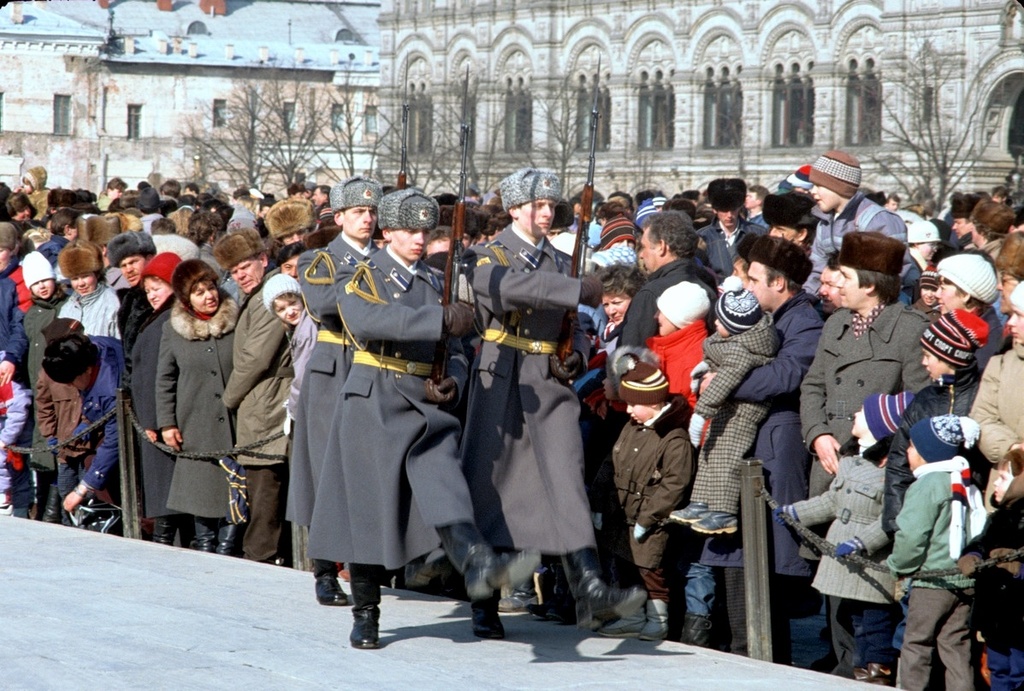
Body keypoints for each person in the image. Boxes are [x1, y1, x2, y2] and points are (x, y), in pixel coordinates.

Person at [331, 188, 538, 649]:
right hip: (376, 402)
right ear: (387, 233)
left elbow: (462, 350)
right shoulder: (359, 274)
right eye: (408, 231)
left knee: (448, 491)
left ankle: (479, 574)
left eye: (424, 230)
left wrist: (456, 381)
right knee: (372, 515)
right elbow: (367, 321)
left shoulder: (435, 281)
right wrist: (439, 321)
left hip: (428, 404)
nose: (419, 239)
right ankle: (366, 612)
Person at [461, 167, 647, 635]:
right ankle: (483, 601)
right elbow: (508, 289)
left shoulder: (558, 260)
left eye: (551, 207)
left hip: (548, 382)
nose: (547, 214)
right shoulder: (486, 254)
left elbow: (578, 324)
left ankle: (589, 586)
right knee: (496, 488)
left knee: (567, 480)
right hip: (502, 379)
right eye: (538, 206)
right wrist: (575, 287)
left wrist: (579, 353)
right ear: (514, 208)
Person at [778, 392, 910, 685]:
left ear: (879, 425)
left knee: (875, 620)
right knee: (851, 618)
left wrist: (863, 542)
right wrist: (796, 512)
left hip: (869, 561)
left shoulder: (892, 472)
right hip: (842, 557)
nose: (854, 414)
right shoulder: (850, 462)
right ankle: (857, 667)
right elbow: (831, 501)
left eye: (863, 412)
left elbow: (889, 518)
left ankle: (876, 670)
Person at [296, 176, 382, 607]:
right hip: (334, 368)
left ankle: (368, 563)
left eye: (371, 212)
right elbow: (323, 303)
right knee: (325, 468)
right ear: (341, 217)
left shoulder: (388, 259)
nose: (367, 219)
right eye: (358, 213)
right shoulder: (319, 258)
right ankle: (324, 569)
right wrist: (371, 282)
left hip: (373, 366)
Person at [591, 356, 694, 640]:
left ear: (652, 403)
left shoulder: (673, 438)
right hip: (622, 515)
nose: (628, 410)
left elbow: (675, 483)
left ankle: (657, 619)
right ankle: (634, 616)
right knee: (625, 567)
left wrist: (649, 518)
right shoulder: (631, 428)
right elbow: (610, 465)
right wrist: (599, 504)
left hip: (650, 519)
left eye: (633, 404)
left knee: (651, 570)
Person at [671, 276, 779, 535]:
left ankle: (723, 510)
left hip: (743, 411)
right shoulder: (732, 341)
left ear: (736, 326)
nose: (715, 324)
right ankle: (701, 501)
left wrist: (701, 413)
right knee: (710, 450)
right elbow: (717, 358)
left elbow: (722, 383)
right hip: (728, 407)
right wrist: (706, 364)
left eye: (720, 321)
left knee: (726, 456)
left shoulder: (741, 351)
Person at [888, 415, 986, 691]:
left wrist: (898, 565)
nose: (907, 451)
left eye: (911, 446)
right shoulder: (965, 483)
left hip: (932, 581)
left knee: (917, 644)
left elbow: (912, 536)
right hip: (964, 580)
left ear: (926, 453)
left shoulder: (927, 485)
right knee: (956, 645)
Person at [156, 259, 239, 554]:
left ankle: (228, 549)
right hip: (196, 425)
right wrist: (167, 423)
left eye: (211, 287)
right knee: (202, 495)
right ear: (185, 298)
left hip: (236, 424)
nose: (209, 295)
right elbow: (165, 378)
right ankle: (205, 547)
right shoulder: (173, 330)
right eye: (199, 291)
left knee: (235, 494)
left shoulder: (235, 322)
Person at [882, 309, 989, 534]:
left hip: (972, 517)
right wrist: (895, 525)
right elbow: (899, 463)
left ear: (950, 357)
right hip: (922, 517)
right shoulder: (923, 401)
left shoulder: (983, 398)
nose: (923, 362)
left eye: (929, 356)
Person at [130, 252, 194, 548]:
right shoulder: (160, 318)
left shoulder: (169, 320)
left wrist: (156, 420)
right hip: (152, 420)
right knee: (164, 492)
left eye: (157, 288)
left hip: (159, 422)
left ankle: (167, 544)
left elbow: (163, 375)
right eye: (148, 291)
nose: (152, 295)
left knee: (167, 492)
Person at [958, 448, 1024, 691]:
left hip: (1020, 615)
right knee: (998, 669)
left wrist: (1017, 568)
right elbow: (981, 541)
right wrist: (971, 555)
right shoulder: (998, 517)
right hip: (996, 613)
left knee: (1020, 672)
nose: (996, 482)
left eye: (1004, 478)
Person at [41, 331, 123, 515]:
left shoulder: (109, 391)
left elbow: (114, 442)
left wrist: (83, 488)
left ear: (86, 369)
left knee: (101, 470)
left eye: (72, 381)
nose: (71, 386)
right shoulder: (90, 347)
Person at [803, 150, 907, 294]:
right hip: (839, 300)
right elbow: (817, 267)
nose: (812, 191)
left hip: (879, 301)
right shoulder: (825, 221)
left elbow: (895, 270)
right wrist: (808, 298)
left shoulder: (877, 220)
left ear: (838, 187)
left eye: (819, 185)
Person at [618, 210, 717, 348]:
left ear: (661, 247)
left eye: (644, 247)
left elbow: (629, 355)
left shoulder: (650, 294)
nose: (641, 255)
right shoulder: (708, 287)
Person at [972, 283, 1024, 507]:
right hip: (1003, 489)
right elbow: (981, 419)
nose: (1010, 323)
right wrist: (1015, 450)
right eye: (1011, 314)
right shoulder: (1001, 364)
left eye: (1019, 315)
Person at [934, 252, 1002, 371]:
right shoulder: (952, 327)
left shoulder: (990, 341)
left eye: (943, 288)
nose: (936, 294)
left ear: (965, 295)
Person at [697, 178, 767, 282]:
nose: (729, 215)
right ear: (715, 210)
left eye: (733, 209)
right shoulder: (702, 237)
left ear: (739, 208)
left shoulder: (758, 233)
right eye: (724, 210)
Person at [107, 231, 158, 374]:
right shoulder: (128, 300)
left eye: (133, 262)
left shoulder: (161, 294)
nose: (129, 270)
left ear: (149, 258)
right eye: (123, 265)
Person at [57, 241, 121, 339]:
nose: (81, 283)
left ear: (97, 274)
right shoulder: (67, 307)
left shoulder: (113, 303)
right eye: (75, 278)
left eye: (85, 276)